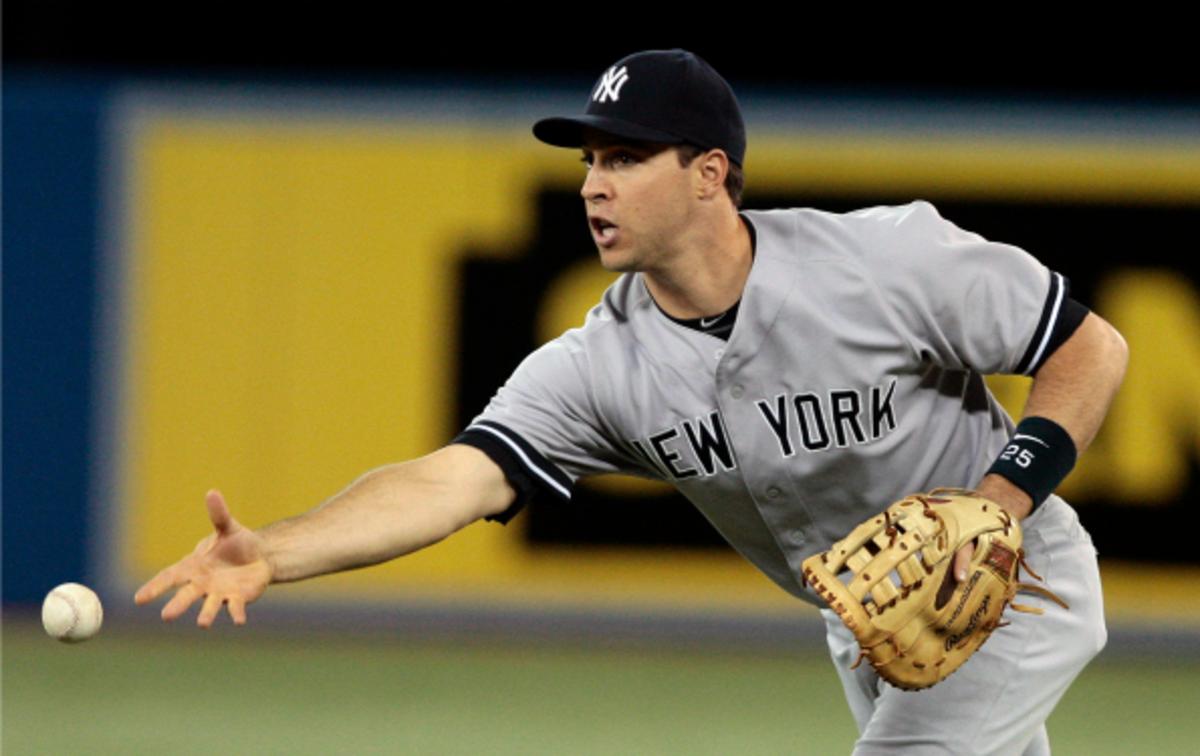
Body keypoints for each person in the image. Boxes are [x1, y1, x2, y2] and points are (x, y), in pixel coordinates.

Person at [135, 49, 1128, 754]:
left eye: (623, 159)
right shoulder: (601, 365)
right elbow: (452, 480)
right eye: (588, 162)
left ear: (708, 175)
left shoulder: (885, 260)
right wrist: (277, 550)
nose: (593, 186)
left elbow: (1090, 347)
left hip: (1018, 584)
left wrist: (1005, 496)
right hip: (866, 625)